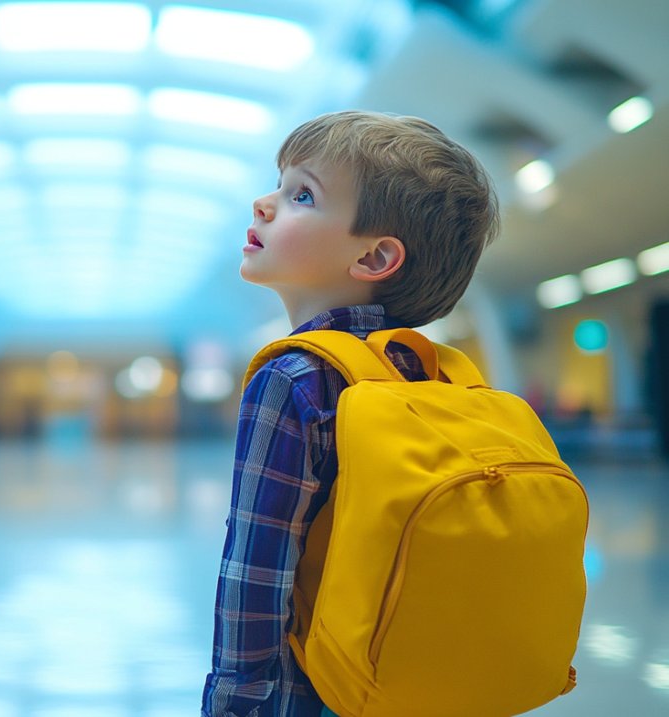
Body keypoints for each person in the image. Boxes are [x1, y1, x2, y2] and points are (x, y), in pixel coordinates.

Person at [201, 110, 499, 717]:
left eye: (301, 195)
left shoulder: (294, 379)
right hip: (406, 683)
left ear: (373, 257)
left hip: (308, 688)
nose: (263, 204)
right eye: (279, 184)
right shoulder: (435, 372)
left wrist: (236, 702)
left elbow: (256, 574)